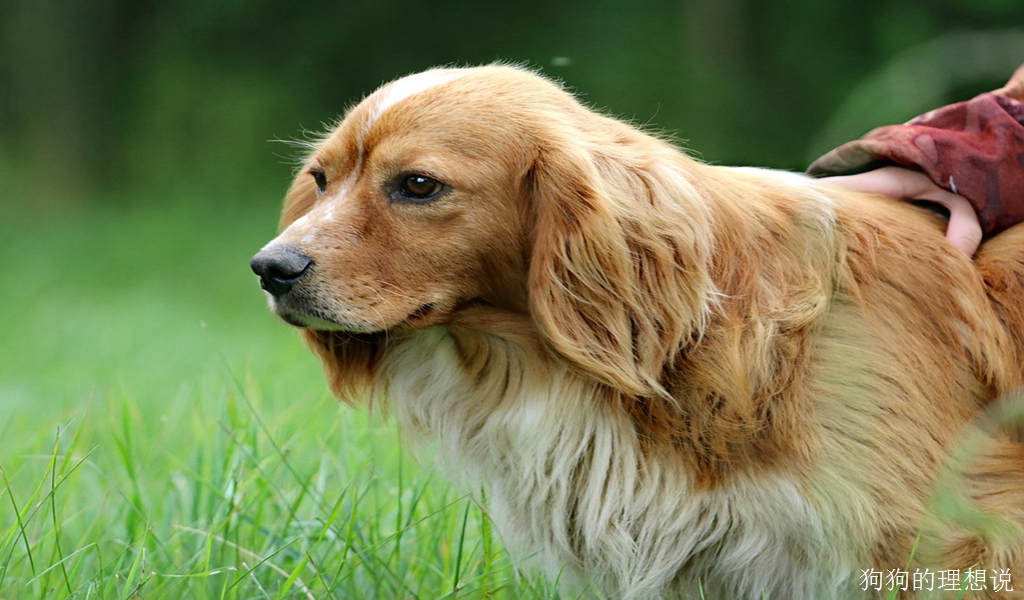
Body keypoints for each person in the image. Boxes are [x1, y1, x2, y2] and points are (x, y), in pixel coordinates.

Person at [809, 64, 1024, 257]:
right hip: (944, 169)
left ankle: (801, 189)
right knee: (960, 232)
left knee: (960, 227)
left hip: (947, 170)